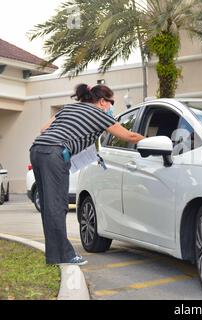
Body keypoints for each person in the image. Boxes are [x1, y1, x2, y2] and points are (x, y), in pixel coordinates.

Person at [30, 84, 145, 266]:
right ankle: (66, 255)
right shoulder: (99, 115)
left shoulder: (68, 108)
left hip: (37, 150)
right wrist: (147, 140)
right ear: (101, 101)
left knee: (48, 206)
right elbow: (129, 136)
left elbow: (43, 129)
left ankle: (54, 257)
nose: (111, 106)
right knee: (58, 206)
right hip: (54, 154)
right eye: (111, 102)